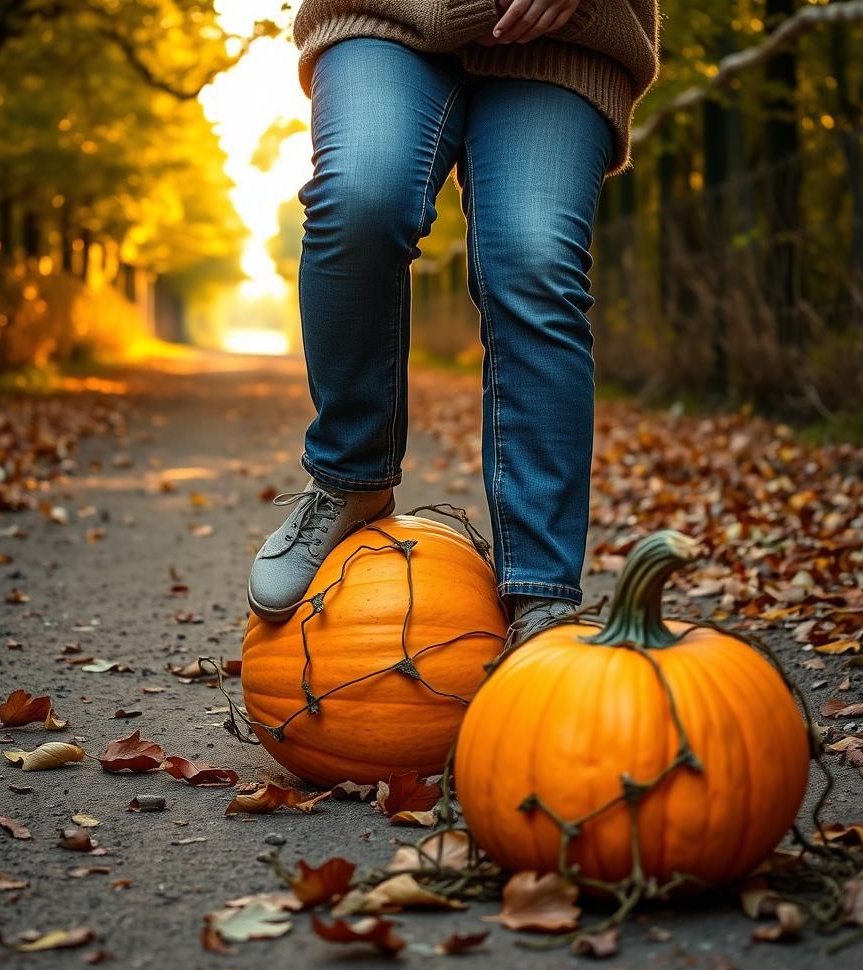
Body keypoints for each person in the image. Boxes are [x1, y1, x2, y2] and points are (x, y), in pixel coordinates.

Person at [247, 0, 659, 656]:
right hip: (387, 16)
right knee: (359, 196)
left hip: (568, 34)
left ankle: (541, 589)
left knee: (535, 256)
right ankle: (351, 477)